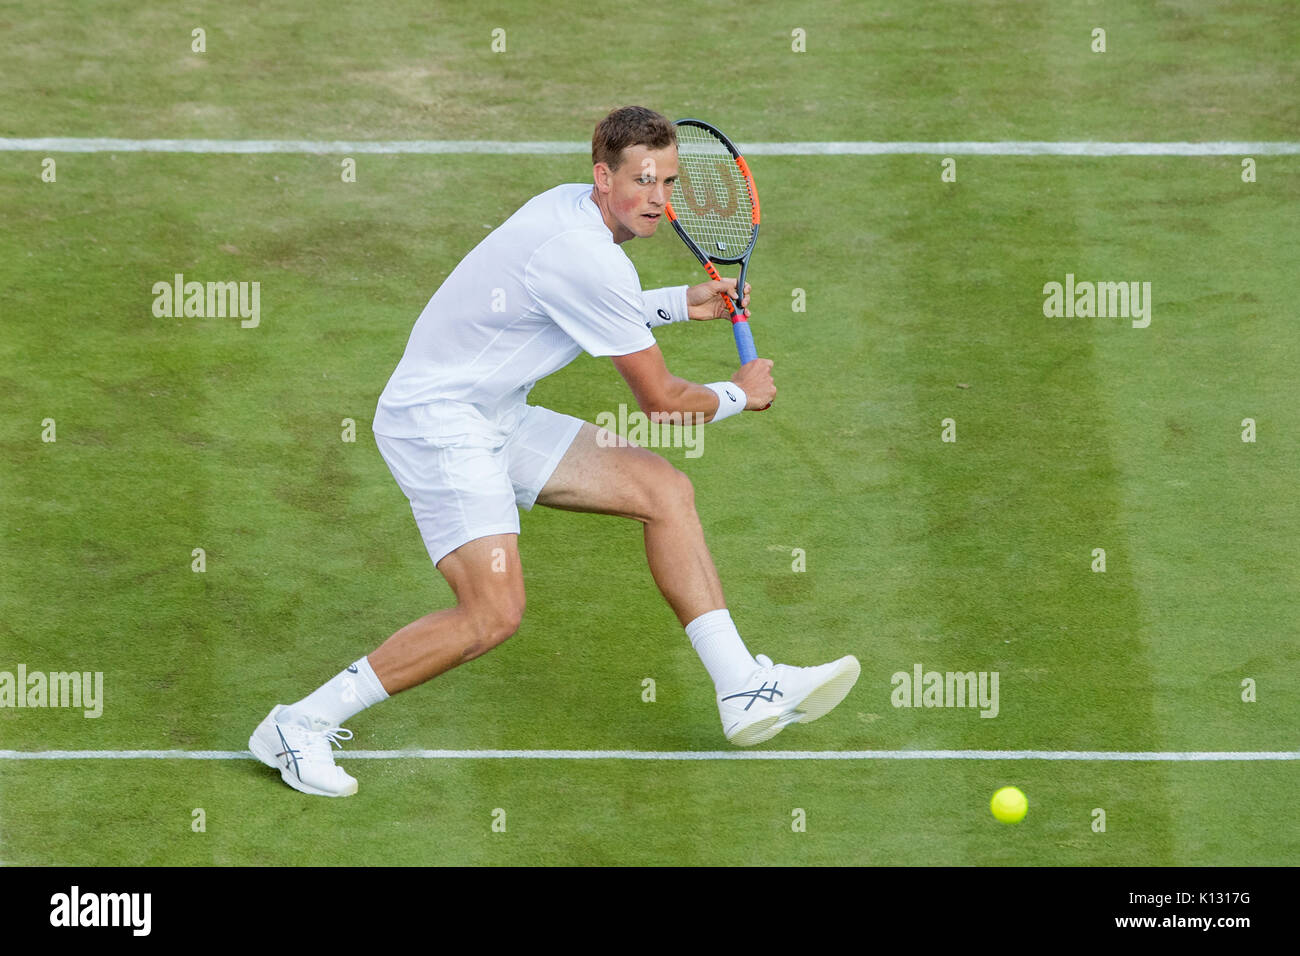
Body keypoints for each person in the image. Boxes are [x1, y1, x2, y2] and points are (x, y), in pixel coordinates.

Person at [249, 106, 859, 797]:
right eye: (643, 181)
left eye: (668, 182)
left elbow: (577, 300)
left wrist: (679, 304)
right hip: (441, 426)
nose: (659, 200)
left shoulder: (572, 215)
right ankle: (297, 726)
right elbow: (660, 399)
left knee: (662, 491)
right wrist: (739, 394)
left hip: (495, 413)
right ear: (604, 177)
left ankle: (741, 685)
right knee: (492, 614)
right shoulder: (585, 254)